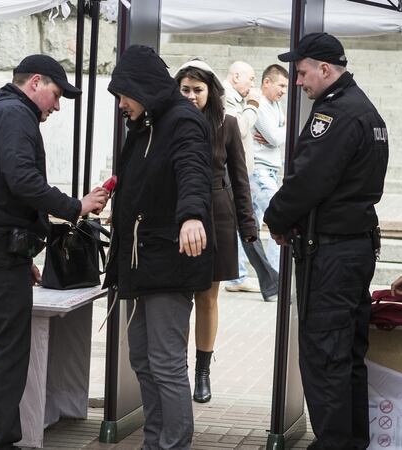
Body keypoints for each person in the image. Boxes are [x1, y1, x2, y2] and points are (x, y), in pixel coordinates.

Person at [0, 54, 108, 449]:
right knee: (7, 351)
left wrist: (22, 254)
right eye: (55, 95)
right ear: (35, 82)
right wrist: (76, 206)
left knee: (0, 347)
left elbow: (6, 189)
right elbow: (22, 181)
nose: (57, 107)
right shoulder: (15, 115)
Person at [265, 32, 389, 450]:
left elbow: (308, 180)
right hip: (354, 246)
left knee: (325, 354)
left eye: (301, 73)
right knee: (348, 353)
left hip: (334, 251)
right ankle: (351, 441)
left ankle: (334, 444)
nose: (297, 82)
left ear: (324, 68)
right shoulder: (365, 110)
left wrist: (276, 217)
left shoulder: (335, 114)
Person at [105, 45, 213, 449]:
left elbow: (192, 170)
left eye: (123, 94)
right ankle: (155, 442)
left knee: (165, 363)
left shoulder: (182, 120)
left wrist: (190, 215)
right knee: (143, 362)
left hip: (168, 260)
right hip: (140, 262)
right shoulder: (146, 122)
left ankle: (173, 444)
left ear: (141, 87)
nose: (120, 103)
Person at [174, 60, 257, 404]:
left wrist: (248, 223)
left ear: (211, 91)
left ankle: (202, 372)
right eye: (185, 90)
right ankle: (173, 370)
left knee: (207, 298)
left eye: (198, 90)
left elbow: (240, 179)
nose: (192, 96)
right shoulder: (168, 124)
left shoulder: (227, 123)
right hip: (178, 217)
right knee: (177, 296)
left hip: (217, 216)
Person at [222, 61, 280, 299]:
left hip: (238, 174)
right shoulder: (226, 97)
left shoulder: (236, 99)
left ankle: (263, 280)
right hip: (231, 175)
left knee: (248, 227)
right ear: (236, 76)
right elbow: (239, 129)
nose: (252, 84)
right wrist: (253, 105)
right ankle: (272, 282)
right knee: (249, 228)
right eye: (251, 79)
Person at [250, 64, 289, 270]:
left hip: (270, 169)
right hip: (259, 170)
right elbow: (275, 138)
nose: (284, 91)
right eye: (281, 85)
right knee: (278, 219)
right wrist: (284, 129)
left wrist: (281, 130)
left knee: (250, 223)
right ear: (267, 82)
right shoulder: (260, 104)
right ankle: (276, 273)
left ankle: (237, 277)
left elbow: (278, 134)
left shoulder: (275, 105)